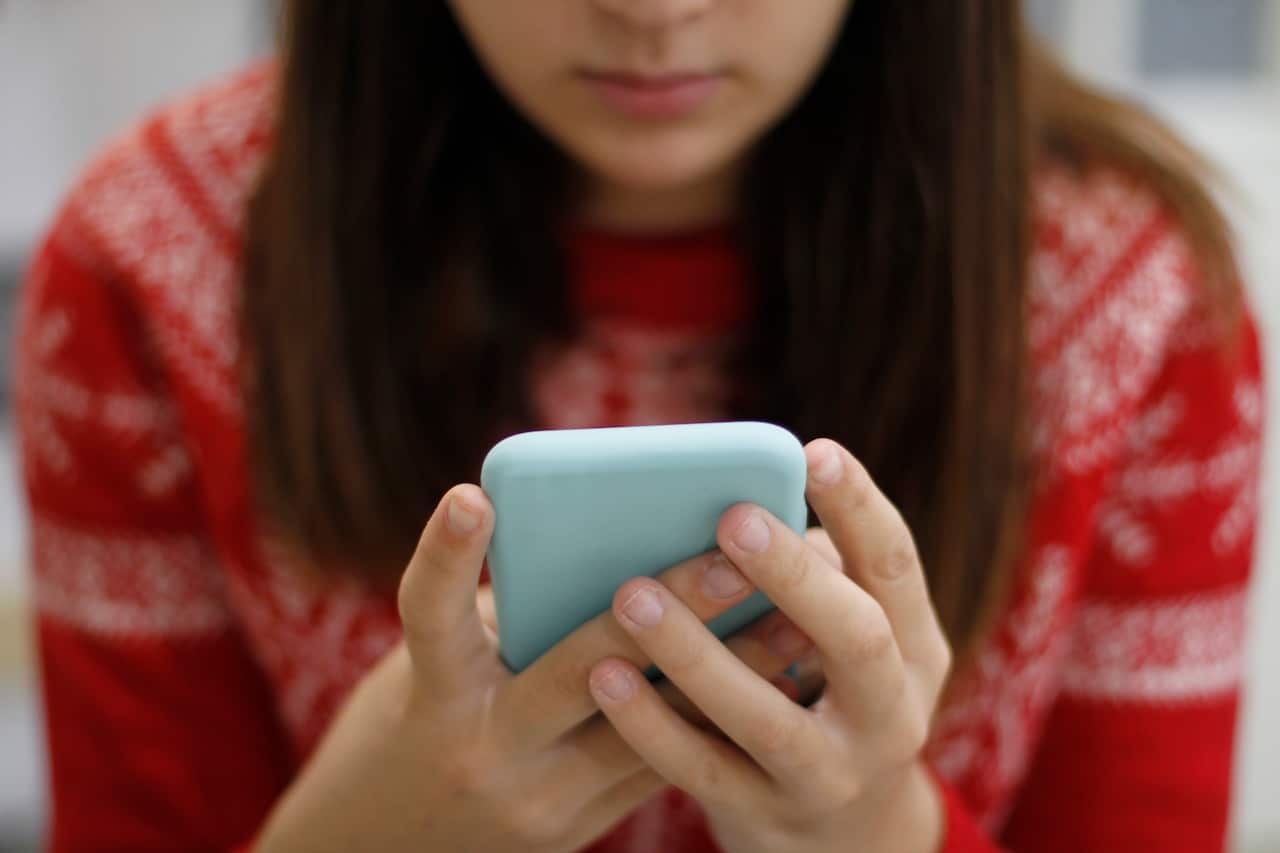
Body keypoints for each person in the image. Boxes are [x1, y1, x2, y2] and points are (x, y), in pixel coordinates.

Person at [13, 1, 1264, 850]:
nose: (657, 9)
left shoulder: (1138, 292)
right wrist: (363, 824)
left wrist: (880, 827)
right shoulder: (152, 257)